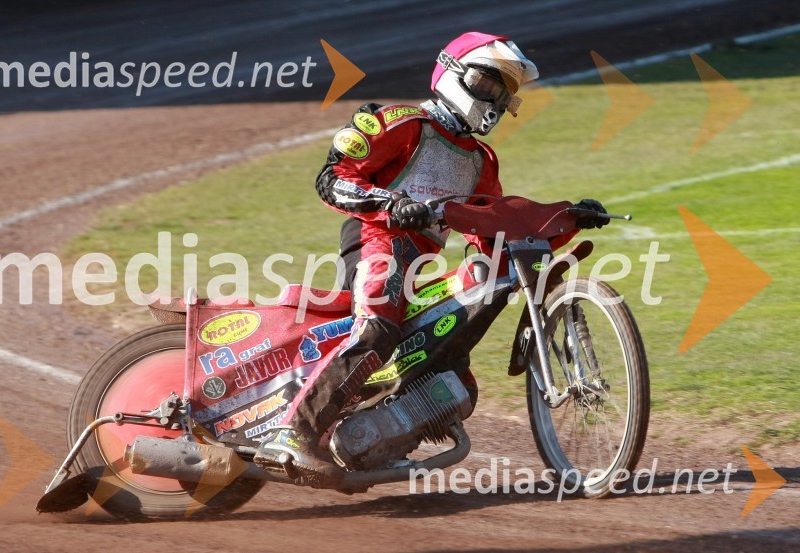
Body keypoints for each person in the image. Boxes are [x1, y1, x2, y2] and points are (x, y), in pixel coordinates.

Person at [254, 31, 608, 486]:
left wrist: (566, 220)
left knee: (458, 370)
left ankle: (373, 437)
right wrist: (391, 203)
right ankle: (293, 433)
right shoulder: (402, 122)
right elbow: (333, 178)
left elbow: (492, 231)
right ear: (451, 72)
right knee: (379, 328)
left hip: (421, 263)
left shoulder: (481, 159)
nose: (494, 100)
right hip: (376, 238)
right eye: (487, 83)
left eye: (503, 92)